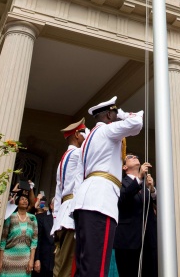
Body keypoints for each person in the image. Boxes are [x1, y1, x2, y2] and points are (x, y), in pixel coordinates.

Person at [72, 97, 144, 277]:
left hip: (84, 202)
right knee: (96, 266)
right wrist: (122, 114)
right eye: (114, 113)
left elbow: (78, 176)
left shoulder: (88, 140)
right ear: (109, 114)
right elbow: (136, 123)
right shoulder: (107, 130)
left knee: (84, 265)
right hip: (100, 202)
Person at [51, 118, 86, 277]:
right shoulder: (78, 153)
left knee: (60, 264)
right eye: (84, 133)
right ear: (77, 134)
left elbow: (58, 194)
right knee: (69, 266)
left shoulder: (63, 159)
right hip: (72, 215)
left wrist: (55, 218)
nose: (86, 137)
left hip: (62, 217)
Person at [113, 154, 157, 277]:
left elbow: (157, 205)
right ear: (124, 167)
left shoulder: (145, 183)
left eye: (136, 156)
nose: (135, 157)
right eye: (130, 157)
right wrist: (138, 177)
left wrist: (152, 189)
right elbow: (123, 199)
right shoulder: (120, 182)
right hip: (128, 240)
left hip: (148, 240)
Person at [0, 194, 38, 277]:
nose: (25, 201)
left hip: (25, 259)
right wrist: (0, 261)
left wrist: (31, 260)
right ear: (17, 202)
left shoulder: (32, 218)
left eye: (26, 199)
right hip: (8, 259)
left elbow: (34, 241)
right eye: (22, 199)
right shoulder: (10, 217)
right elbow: (3, 239)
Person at [34, 197, 54, 277]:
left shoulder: (64, 220)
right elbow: (37, 239)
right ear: (51, 206)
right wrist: (37, 259)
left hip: (58, 261)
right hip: (43, 260)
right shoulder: (42, 218)